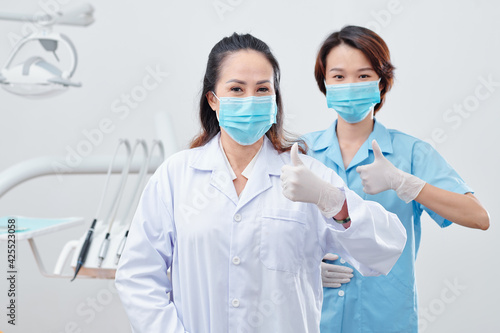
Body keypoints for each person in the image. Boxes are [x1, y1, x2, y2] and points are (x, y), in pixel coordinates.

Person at [115, 32, 407, 333]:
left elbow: (385, 250)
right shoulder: (175, 176)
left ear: (275, 100)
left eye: (262, 89)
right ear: (213, 100)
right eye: (237, 89)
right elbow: (138, 275)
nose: (250, 99)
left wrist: (332, 201)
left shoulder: (308, 176)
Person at [302, 25, 490, 333]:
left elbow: (478, 217)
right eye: (338, 76)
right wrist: (304, 266)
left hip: (386, 320)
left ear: (381, 83)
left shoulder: (410, 153)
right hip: (313, 317)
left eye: (363, 75)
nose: (350, 85)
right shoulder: (302, 153)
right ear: (324, 83)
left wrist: (407, 184)